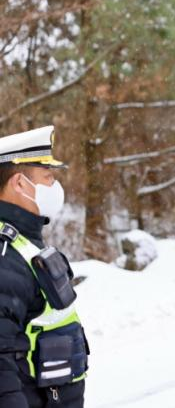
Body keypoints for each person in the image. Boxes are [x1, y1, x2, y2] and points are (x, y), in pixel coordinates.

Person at [0, 125, 88, 408]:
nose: (55, 187)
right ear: (19, 183)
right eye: (48, 177)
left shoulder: (25, 242)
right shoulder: (5, 256)